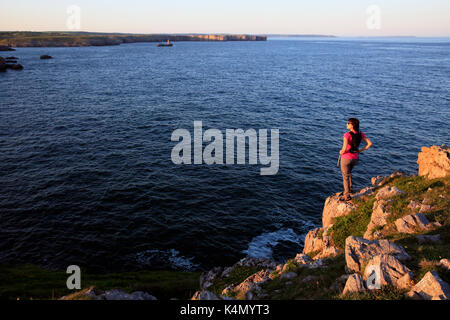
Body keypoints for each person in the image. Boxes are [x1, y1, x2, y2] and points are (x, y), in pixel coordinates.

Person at [339, 118, 373, 201]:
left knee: (345, 177)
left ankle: (346, 196)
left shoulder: (347, 135)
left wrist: (341, 152)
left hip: (346, 158)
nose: (347, 124)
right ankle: (350, 189)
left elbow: (344, 149)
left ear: (352, 125)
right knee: (349, 173)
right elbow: (369, 143)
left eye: (348, 123)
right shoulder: (360, 133)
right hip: (355, 158)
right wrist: (360, 150)